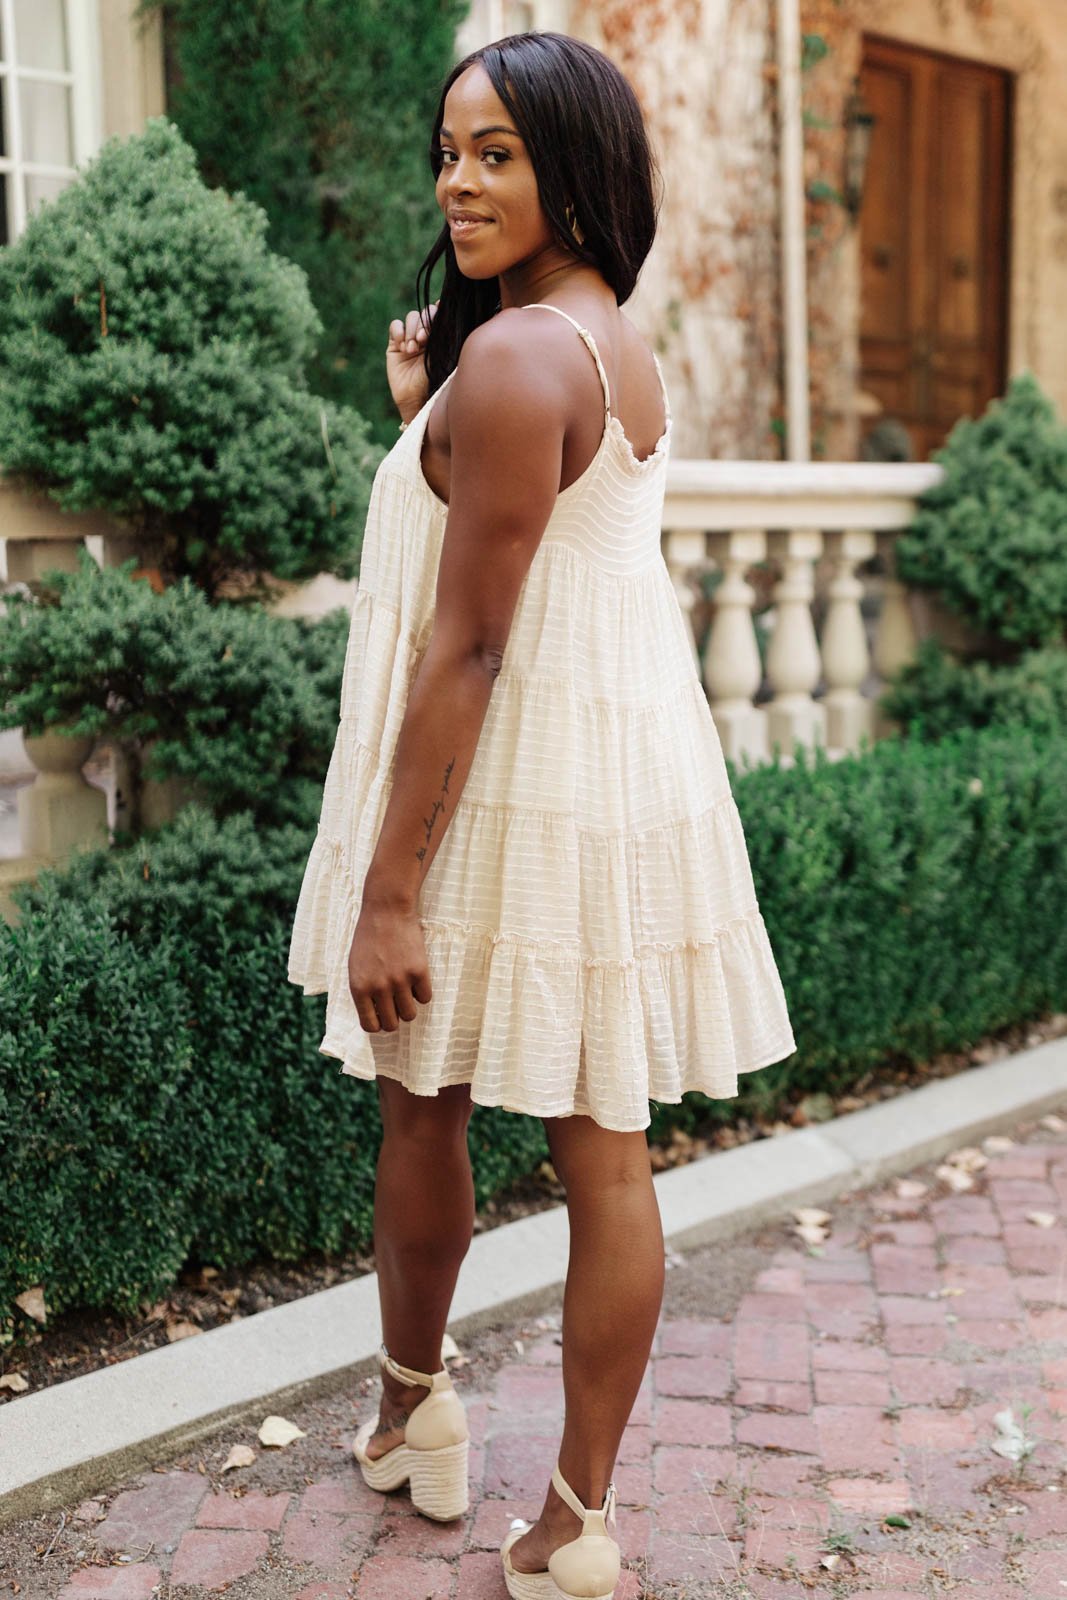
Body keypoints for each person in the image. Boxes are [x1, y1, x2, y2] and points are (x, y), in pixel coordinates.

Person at [288, 29, 797, 1599]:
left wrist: (388, 889)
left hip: (501, 787)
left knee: (424, 1104)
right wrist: (419, 412)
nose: (458, 177)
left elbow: (474, 638)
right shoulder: (593, 345)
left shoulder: (514, 363)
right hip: (605, 786)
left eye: (498, 151)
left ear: (580, 167)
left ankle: (416, 1412)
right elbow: (542, 530)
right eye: (449, 148)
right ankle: (575, 1515)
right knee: (608, 1155)